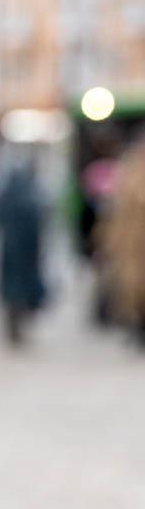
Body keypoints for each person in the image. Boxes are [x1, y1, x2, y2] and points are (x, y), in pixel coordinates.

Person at [0, 158, 49, 349]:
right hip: (20, 254)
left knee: (14, 294)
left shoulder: (11, 194)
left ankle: (14, 330)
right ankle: (15, 330)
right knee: (17, 293)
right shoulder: (28, 197)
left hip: (13, 252)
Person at [100, 134, 145, 348]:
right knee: (131, 291)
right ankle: (137, 328)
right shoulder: (128, 175)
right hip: (132, 247)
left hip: (134, 247)